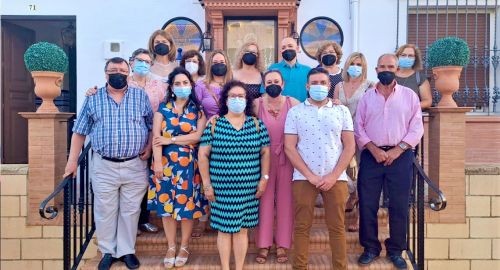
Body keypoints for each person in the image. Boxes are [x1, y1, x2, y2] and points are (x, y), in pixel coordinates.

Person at [64, 57, 153, 270]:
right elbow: (80, 132)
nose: (118, 73)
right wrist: (72, 162)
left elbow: (151, 125)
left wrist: (149, 147)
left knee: (130, 211)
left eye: (122, 70)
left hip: (134, 164)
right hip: (104, 165)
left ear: (128, 73)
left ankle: (126, 251)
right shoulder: (93, 98)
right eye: (113, 70)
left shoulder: (140, 96)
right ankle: (107, 251)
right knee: (105, 210)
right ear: (105, 74)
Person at [355, 54, 424, 269]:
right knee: (367, 204)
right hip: (371, 156)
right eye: (382, 66)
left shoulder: (410, 96)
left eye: (390, 66)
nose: (386, 69)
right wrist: (373, 149)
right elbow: (359, 127)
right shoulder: (367, 97)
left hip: (401, 157)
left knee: (399, 205)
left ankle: (395, 250)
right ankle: (370, 248)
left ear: (396, 69)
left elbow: (417, 128)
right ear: (376, 69)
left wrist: (398, 150)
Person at [284, 67, 355, 270]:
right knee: (302, 227)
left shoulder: (341, 111)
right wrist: (310, 176)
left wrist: (333, 176)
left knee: (337, 227)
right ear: (307, 86)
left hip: (336, 178)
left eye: (322, 83)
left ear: (329, 85)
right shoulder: (295, 112)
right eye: (314, 83)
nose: (318, 86)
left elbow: (350, 146)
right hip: (303, 178)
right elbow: (289, 147)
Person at [198, 80, 270, 270]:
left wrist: (264, 179)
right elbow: (203, 154)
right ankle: (224, 267)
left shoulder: (256, 125)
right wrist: (207, 184)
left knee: (242, 230)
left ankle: (238, 267)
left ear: (247, 100)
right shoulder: (215, 124)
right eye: (233, 96)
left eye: (241, 96)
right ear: (226, 100)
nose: (237, 99)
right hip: (221, 189)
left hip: (249, 190)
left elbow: (265, 153)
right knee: (224, 230)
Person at [149, 67, 208, 268]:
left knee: (186, 206)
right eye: (178, 83)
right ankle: (171, 246)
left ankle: (184, 246)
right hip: (164, 165)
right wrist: (157, 162)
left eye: (186, 83)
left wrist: (171, 139)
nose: (182, 86)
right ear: (172, 87)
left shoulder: (197, 111)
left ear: (191, 86)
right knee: (167, 207)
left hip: (189, 166)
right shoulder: (162, 109)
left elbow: (197, 137)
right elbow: (156, 138)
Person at [252, 70, 299, 264]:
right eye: (269, 81)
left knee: (286, 201)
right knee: (264, 200)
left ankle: (282, 244)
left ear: (283, 84)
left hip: (287, 157)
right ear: (264, 84)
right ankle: (263, 244)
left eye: (276, 81)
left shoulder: (293, 103)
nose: (273, 84)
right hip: (262, 158)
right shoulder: (257, 104)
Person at [333, 52, 373, 232]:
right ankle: (352, 195)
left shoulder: (370, 86)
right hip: (340, 136)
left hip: (361, 135)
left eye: (359, 64)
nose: (355, 67)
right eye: (352, 63)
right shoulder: (339, 86)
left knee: (361, 175)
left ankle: (357, 217)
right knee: (342, 172)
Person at [268, 37, 311, 102]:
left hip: (302, 110)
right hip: (279, 110)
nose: (287, 49)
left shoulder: (307, 70)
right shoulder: (273, 69)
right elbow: (265, 93)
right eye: (283, 48)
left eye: (290, 46)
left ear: (297, 49)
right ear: (280, 51)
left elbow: (311, 94)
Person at [195, 50, 233, 119]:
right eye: (215, 62)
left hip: (229, 127)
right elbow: (196, 109)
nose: (219, 65)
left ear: (227, 64)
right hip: (208, 127)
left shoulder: (233, 86)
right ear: (210, 65)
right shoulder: (201, 86)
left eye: (222, 62)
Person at [395, 44, 432, 109]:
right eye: (403, 55)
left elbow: (427, 101)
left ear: (415, 59)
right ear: (397, 57)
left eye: (410, 56)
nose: (407, 58)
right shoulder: (390, 75)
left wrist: (411, 107)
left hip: (411, 116)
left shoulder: (420, 78)